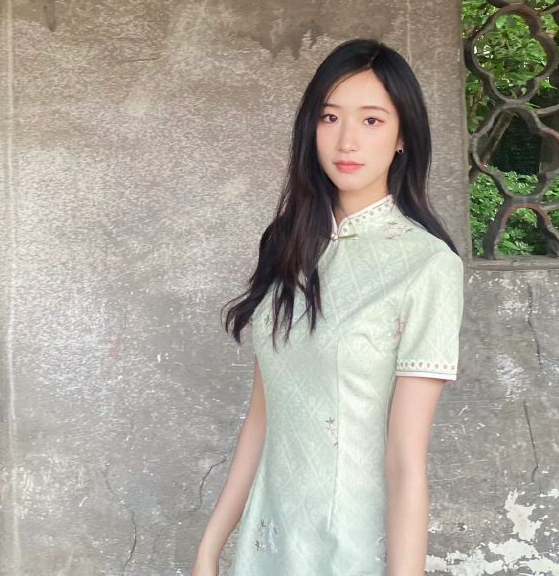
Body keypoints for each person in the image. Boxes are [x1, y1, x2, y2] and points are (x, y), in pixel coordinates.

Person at [190, 37, 465, 576]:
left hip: (351, 551)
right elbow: (262, 421)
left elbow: (406, 461)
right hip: (269, 546)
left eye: (371, 120)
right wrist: (211, 547)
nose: (346, 140)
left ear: (403, 135)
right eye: (330, 117)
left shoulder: (427, 266)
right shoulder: (287, 249)